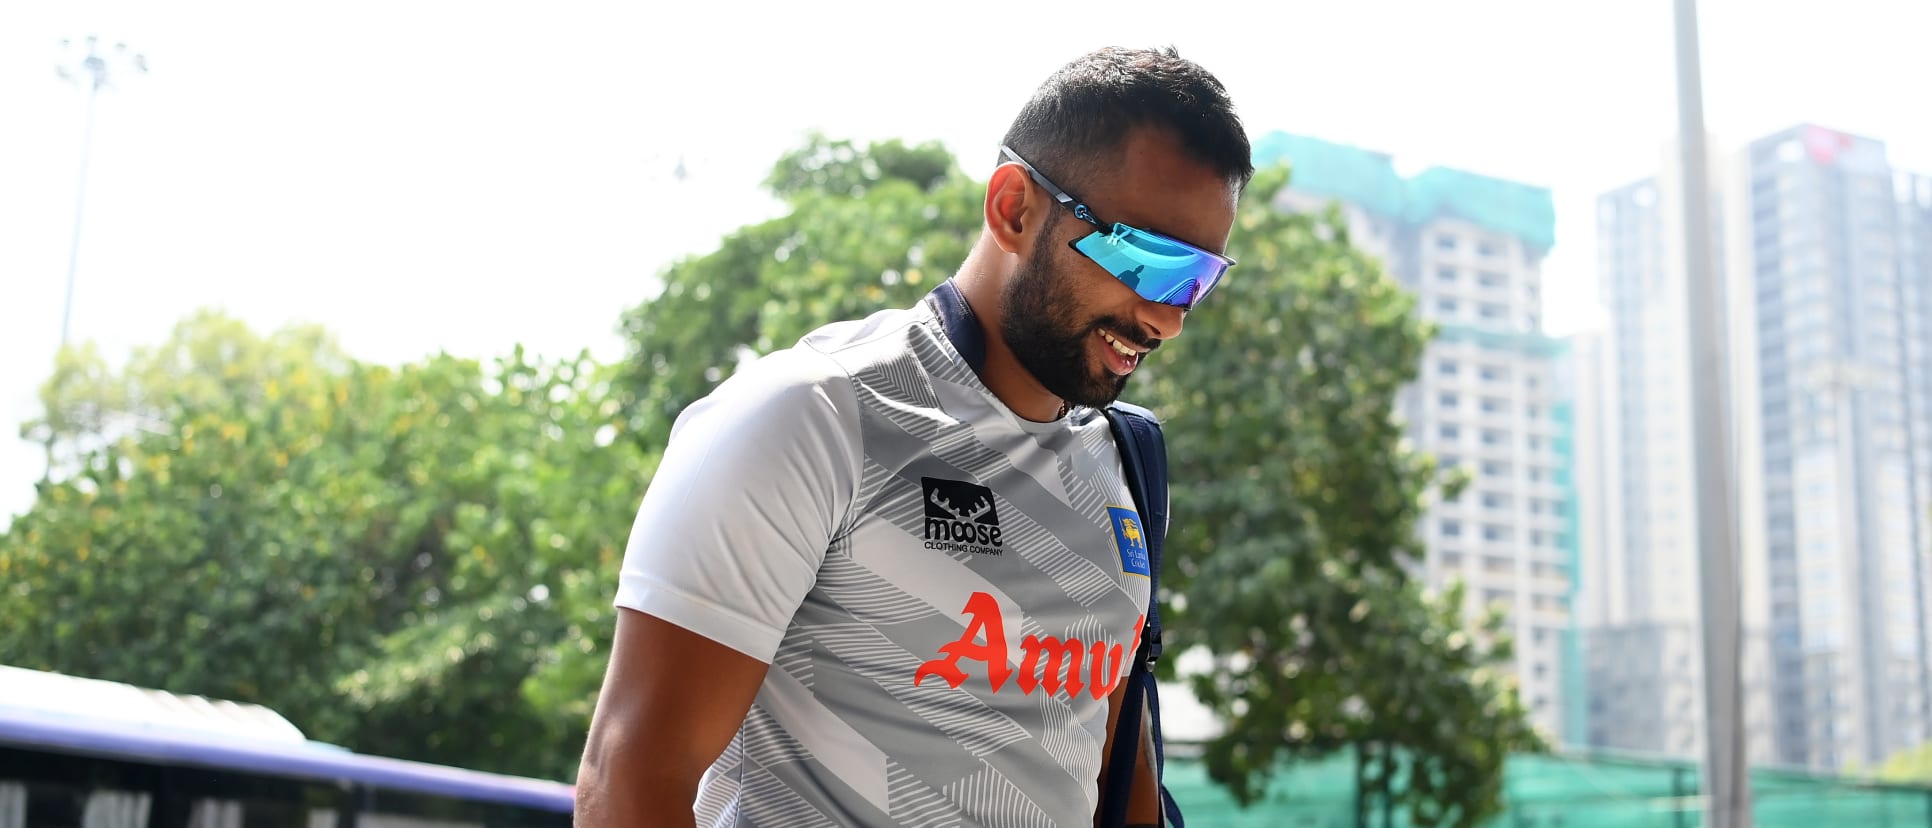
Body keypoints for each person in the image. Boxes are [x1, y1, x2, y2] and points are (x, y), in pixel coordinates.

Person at [574, 45, 1254, 828]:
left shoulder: (1124, 464)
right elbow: (627, 778)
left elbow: (1111, 758)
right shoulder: (813, 415)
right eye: (1147, 259)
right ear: (1013, 208)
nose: (1166, 316)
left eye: (1197, 279)